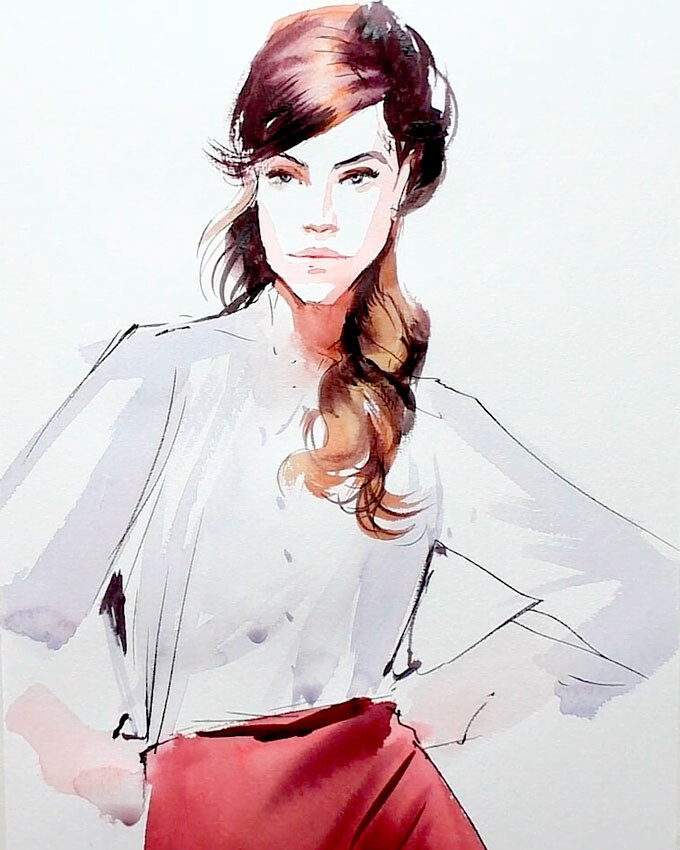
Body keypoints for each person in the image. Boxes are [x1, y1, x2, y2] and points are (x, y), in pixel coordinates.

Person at [1, 4, 677, 848]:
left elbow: (647, 588)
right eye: (288, 175)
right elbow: (14, 615)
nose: (318, 215)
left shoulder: (428, 424)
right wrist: (88, 764)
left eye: (356, 176)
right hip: (203, 809)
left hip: (383, 807)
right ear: (253, 183)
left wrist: (428, 719)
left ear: (405, 180)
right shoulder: (161, 377)